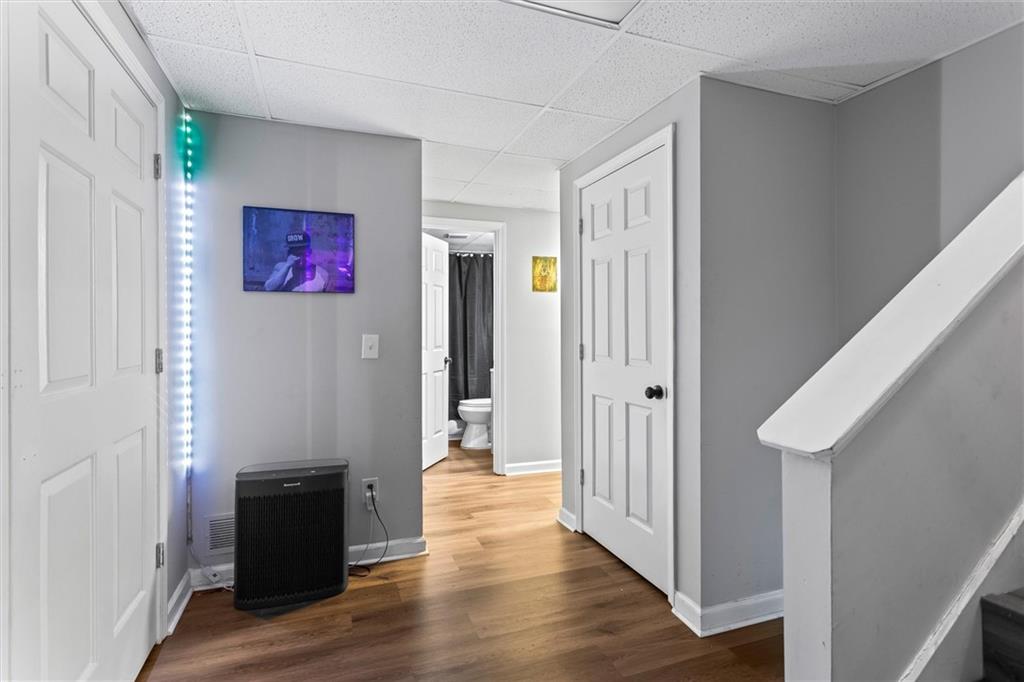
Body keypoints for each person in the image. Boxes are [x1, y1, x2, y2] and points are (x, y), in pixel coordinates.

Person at [264, 232, 330, 292]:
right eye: (294, 252)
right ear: (288, 253)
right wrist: (287, 266)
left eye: (301, 252)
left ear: (309, 252)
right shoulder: (280, 268)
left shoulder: (322, 274)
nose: (298, 257)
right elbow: (268, 288)